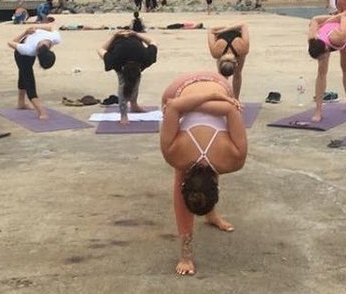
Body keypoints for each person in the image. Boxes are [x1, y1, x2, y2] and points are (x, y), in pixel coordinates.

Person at [160, 71, 248, 275]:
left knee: (206, 166)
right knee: (197, 168)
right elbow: (229, 109)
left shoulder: (177, 154)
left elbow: (173, 106)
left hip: (192, 88)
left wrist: (199, 101)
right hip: (196, 88)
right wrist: (213, 97)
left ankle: (210, 216)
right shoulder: (231, 159)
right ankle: (186, 250)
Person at [97, 30, 157, 125]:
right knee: (123, 84)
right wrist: (114, 36)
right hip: (118, 46)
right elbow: (101, 49)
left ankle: (134, 105)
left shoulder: (146, 57)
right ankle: (123, 114)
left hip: (135, 46)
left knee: (134, 80)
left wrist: (136, 35)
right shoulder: (114, 61)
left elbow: (152, 42)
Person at [307, 11, 346, 122]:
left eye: (321, 57)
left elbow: (345, 16)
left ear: (326, 50)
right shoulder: (312, 37)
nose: (320, 60)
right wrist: (331, 18)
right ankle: (318, 110)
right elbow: (314, 18)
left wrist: (339, 17)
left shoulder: (339, 37)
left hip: (344, 32)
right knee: (321, 71)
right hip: (327, 33)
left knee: (345, 65)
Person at [8, 25, 61, 120]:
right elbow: (10, 43)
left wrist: (36, 27)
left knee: (23, 74)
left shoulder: (55, 38)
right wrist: (25, 32)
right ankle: (41, 112)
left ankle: (21, 103)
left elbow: (51, 26)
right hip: (20, 55)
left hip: (29, 51)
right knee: (28, 80)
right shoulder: (29, 49)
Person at [207, 23, 250, 99]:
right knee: (237, 73)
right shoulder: (243, 49)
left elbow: (210, 30)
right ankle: (235, 98)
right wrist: (227, 29)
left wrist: (224, 29)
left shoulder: (216, 52)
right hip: (234, 41)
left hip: (223, 40)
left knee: (222, 76)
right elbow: (243, 25)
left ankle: (224, 96)